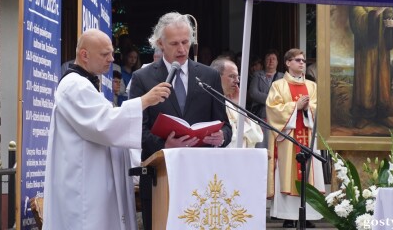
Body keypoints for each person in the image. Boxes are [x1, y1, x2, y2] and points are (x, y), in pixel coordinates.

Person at [42, 29, 171, 230]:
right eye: (105, 54)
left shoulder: (85, 84)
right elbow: (103, 124)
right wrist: (144, 101)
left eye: (112, 53)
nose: (111, 59)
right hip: (84, 186)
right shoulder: (74, 85)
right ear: (84, 55)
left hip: (93, 181)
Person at [129, 12, 232, 230]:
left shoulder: (209, 76)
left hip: (201, 175)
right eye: (174, 43)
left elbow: (225, 125)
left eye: (186, 42)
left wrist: (221, 136)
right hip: (160, 174)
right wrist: (163, 145)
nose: (182, 49)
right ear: (160, 44)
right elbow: (136, 129)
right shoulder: (142, 78)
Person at [265, 48, 324, 228]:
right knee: (286, 173)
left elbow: (319, 107)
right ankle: (288, 216)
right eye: (297, 60)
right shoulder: (278, 85)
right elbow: (272, 109)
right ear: (288, 63)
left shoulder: (312, 86)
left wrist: (307, 109)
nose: (302, 63)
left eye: (303, 61)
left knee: (309, 174)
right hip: (288, 139)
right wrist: (294, 106)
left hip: (308, 135)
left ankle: (307, 216)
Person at [349, 6, 393, 129]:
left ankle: (382, 114)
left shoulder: (384, 2)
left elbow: (391, 15)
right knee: (367, 82)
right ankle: (365, 115)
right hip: (366, 51)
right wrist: (375, 14)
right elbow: (358, 20)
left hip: (382, 51)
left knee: (382, 81)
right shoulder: (358, 2)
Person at [210, 57, 263, 148]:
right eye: (232, 76)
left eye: (237, 77)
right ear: (216, 76)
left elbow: (257, 136)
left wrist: (238, 106)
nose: (237, 81)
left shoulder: (232, 104)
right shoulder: (208, 102)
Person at [248, 49, 284, 149]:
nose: (271, 61)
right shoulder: (257, 75)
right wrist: (273, 100)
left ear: (277, 62)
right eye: (268, 59)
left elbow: (284, 96)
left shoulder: (283, 77)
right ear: (264, 62)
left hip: (277, 117)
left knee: (276, 147)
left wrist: (269, 100)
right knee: (261, 144)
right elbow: (253, 93)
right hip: (261, 116)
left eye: (273, 59)